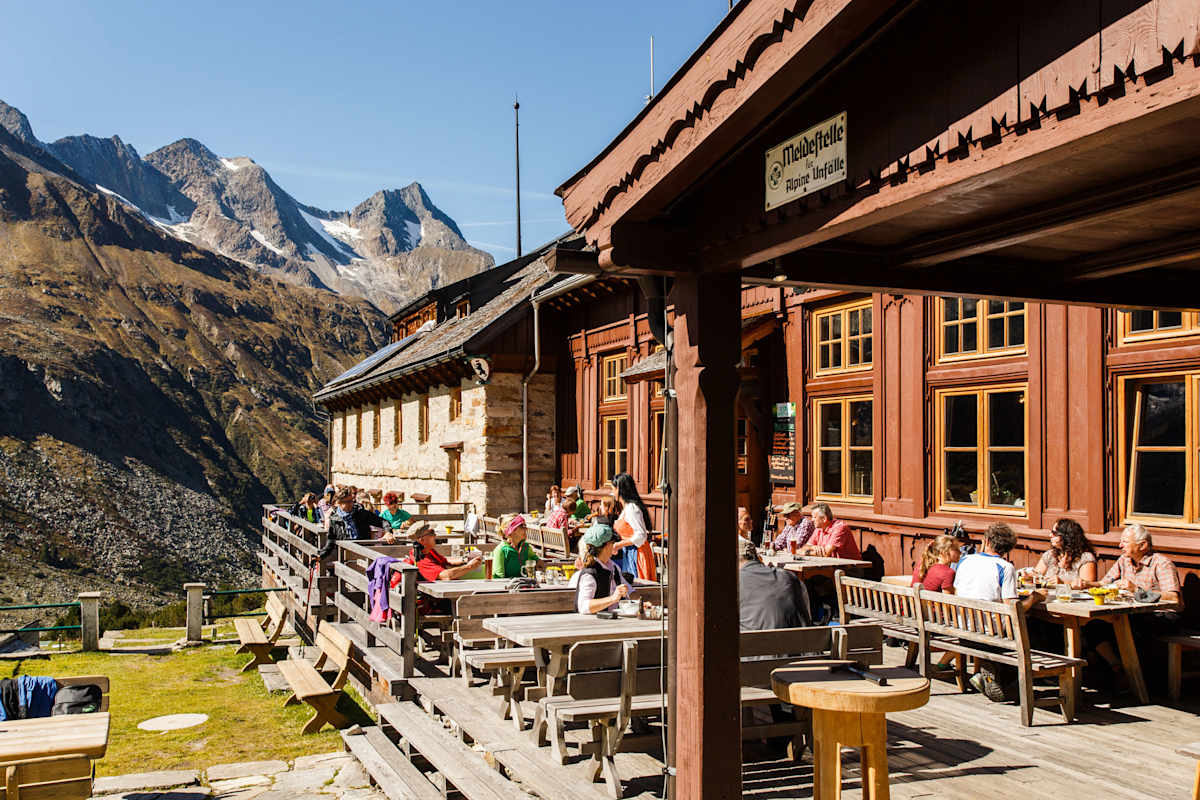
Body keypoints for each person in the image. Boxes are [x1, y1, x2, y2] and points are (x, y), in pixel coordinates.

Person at [954, 522, 1046, 701]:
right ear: (1008, 548)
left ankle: (990, 675)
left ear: (986, 541)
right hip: (991, 636)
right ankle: (1001, 676)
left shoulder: (965, 560)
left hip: (963, 630)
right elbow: (1013, 609)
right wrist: (1034, 598)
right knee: (1035, 630)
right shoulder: (1005, 567)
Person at [738, 537, 812, 630]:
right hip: (802, 642)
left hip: (755, 642)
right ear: (760, 559)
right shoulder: (790, 576)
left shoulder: (735, 581)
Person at [316, 489, 391, 562]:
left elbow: (382, 521)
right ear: (339, 503)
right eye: (347, 502)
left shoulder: (361, 513)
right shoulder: (334, 519)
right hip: (345, 555)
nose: (351, 504)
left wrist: (388, 532)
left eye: (351, 501)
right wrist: (321, 555)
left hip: (363, 553)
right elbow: (331, 541)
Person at [575, 524, 635, 614]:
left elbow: (629, 592)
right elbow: (583, 606)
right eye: (612, 542)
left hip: (614, 622)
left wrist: (639, 604)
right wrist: (612, 599)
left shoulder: (613, 567)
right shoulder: (590, 573)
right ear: (606, 546)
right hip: (593, 625)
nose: (614, 545)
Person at [612, 472, 657, 581]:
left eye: (613, 489)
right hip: (629, 552)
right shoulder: (627, 508)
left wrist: (618, 544)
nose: (612, 492)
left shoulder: (632, 508)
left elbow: (641, 535)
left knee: (637, 589)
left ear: (619, 489)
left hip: (637, 554)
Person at [409, 522, 483, 582]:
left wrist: (464, 560)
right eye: (431, 533)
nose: (435, 535)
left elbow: (445, 560)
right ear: (421, 540)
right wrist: (470, 566)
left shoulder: (428, 550)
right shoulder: (420, 557)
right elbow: (446, 575)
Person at [1034, 518, 1097, 587]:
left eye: (1055, 533)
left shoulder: (1085, 558)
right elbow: (1037, 575)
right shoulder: (1050, 555)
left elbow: (1088, 586)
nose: (1050, 535)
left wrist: (1063, 583)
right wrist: (1028, 576)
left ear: (1067, 536)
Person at [493, 514, 541, 578]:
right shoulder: (501, 550)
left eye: (525, 525)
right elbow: (499, 578)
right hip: (508, 586)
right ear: (512, 530)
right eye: (522, 526)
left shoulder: (526, 547)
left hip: (524, 585)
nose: (526, 529)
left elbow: (539, 563)